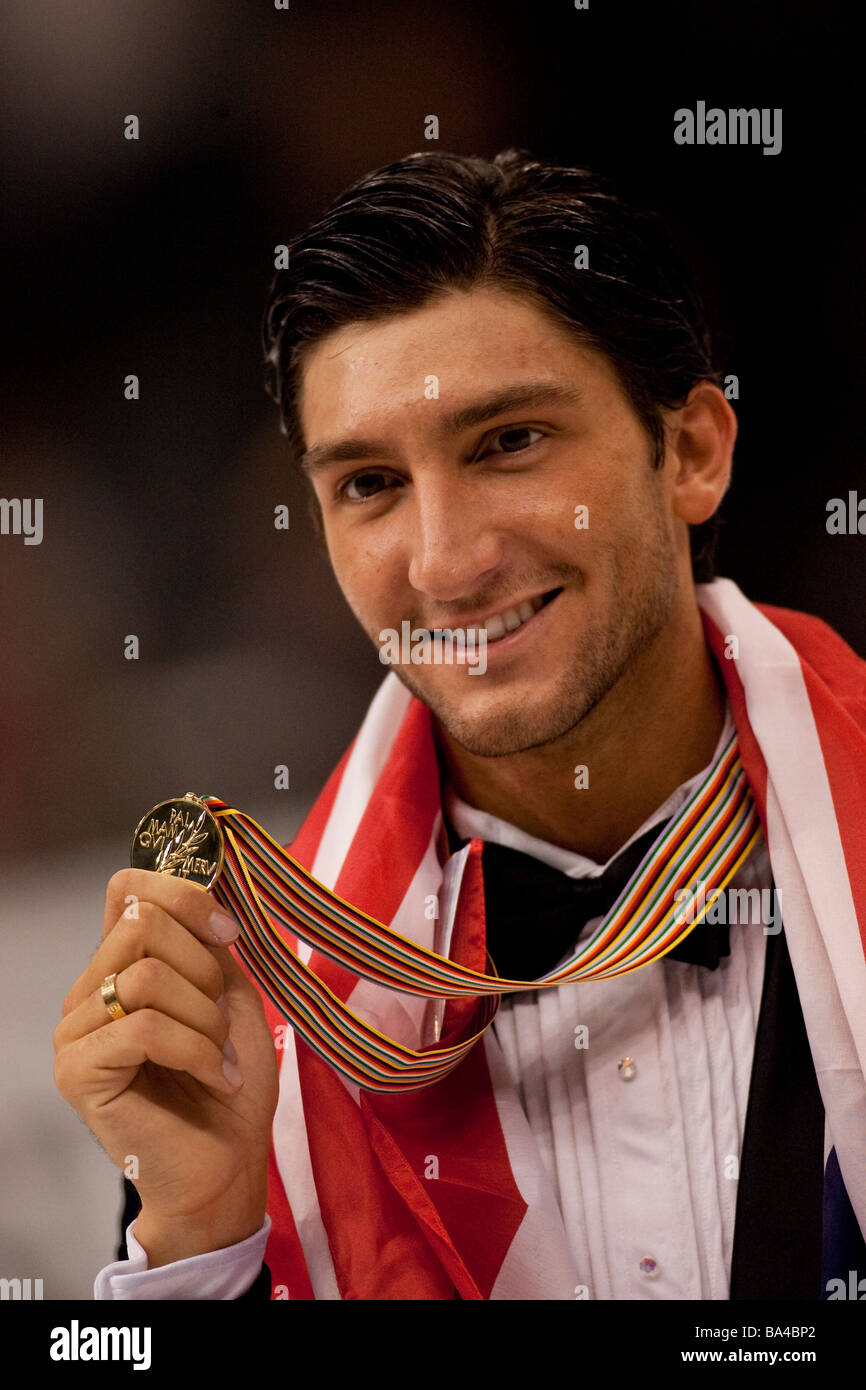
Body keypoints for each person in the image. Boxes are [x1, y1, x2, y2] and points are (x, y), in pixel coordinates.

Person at [54, 149, 866, 1300]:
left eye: (508, 443)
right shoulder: (255, 1028)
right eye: (370, 483)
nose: (444, 562)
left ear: (690, 450)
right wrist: (199, 1237)